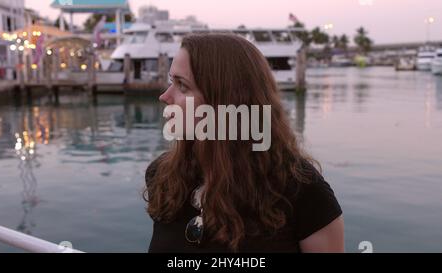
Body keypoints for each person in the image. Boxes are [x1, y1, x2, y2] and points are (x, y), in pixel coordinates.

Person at [143, 33, 344, 253]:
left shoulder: (302, 191)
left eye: (182, 85)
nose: (164, 96)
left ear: (225, 99)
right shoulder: (164, 176)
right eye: (172, 81)